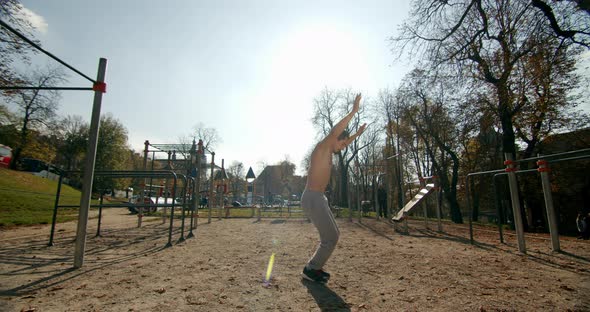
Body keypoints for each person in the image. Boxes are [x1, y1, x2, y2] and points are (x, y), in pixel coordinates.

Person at [301, 93, 367, 283]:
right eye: (343, 143)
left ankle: (315, 266)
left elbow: (343, 139)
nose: (344, 147)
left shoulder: (330, 151)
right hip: (312, 197)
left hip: (319, 198)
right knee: (330, 237)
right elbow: (336, 132)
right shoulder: (323, 147)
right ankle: (311, 269)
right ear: (336, 138)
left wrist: (357, 135)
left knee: (333, 235)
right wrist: (354, 111)